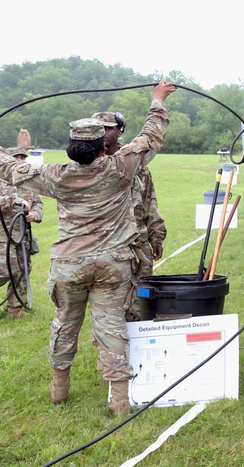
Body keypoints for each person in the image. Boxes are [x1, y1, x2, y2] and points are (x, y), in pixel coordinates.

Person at [0, 80, 176, 415]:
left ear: (71, 146)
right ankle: (120, 402)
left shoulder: (56, 175)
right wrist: (157, 100)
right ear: (100, 145)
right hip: (112, 265)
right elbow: (150, 137)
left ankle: (59, 391)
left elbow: (9, 168)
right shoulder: (120, 168)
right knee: (111, 327)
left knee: (65, 323)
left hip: (69, 265)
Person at [93, 111, 167, 321]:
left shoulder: (135, 163)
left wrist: (156, 235)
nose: (104, 133)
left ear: (120, 131)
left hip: (137, 244)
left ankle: (138, 336)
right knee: (110, 299)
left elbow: (149, 202)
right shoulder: (87, 164)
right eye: (99, 128)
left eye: (109, 128)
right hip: (105, 245)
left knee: (141, 295)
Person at [1, 147, 43, 319]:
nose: (19, 160)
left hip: (23, 235)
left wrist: (35, 215)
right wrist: (14, 201)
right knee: (3, 271)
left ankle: (15, 309)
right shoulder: (2, 180)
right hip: (3, 235)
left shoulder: (28, 183)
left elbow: (38, 205)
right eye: (15, 157)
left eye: (22, 157)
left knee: (22, 271)